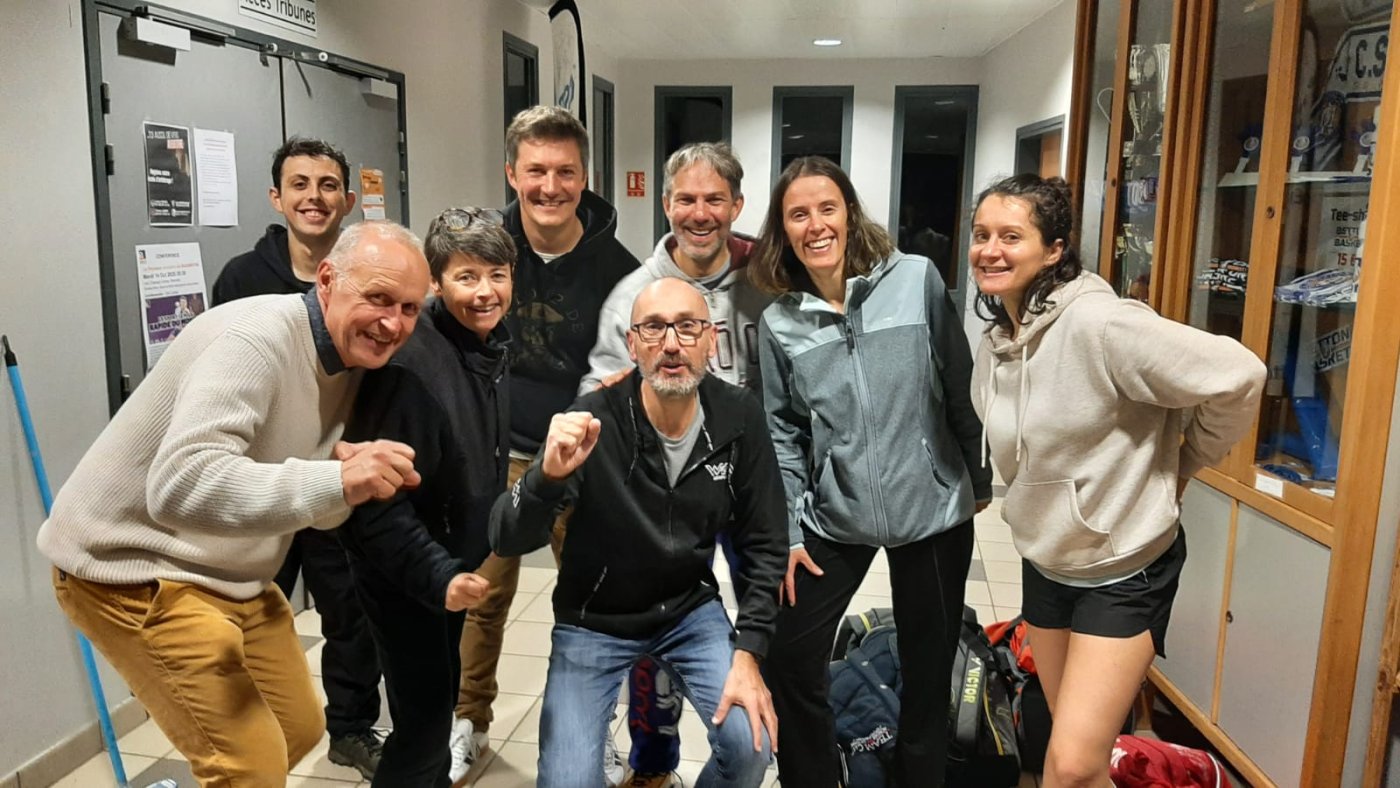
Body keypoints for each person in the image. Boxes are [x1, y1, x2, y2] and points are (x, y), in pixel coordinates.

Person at [37, 221, 430, 787]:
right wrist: (334, 479)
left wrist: (343, 484)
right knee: (249, 765)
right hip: (129, 568)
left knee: (296, 730)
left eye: (410, 308)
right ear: (326, 280)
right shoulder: (256, 339)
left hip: (229, 573)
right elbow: (181, 484)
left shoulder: (354, 364)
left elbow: (315, 507)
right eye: (378, 298)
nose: (393, 323)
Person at [968, 174, 1265, 788]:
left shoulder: (1104, 325)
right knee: (1071, 756)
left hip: (1125, 570)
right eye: (981, 235)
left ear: (1053, 249)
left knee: (1072, 766)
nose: (989, 250)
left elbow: (1239, 375)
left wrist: (1187, 462)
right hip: (1048, 562)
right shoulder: (999, 339)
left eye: (1010, 236)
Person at [751, 156, 991, 786]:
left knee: (927, 671)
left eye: (827, 208)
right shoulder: (779, 323)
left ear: (850, 214)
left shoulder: (915, 279)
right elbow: (782, 432)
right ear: (783, 230)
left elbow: (959, 383)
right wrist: (791, 531)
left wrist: (976, 477)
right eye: (798, 214)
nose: (815, 225)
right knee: (789, 652)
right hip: (837, 512)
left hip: (933, 509)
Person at [491, 277, 786, 788]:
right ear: (631, 344)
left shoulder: (738, 416)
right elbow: (506, 538)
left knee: (750, 745)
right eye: (653, 328)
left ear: (711, 340)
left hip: (689, 611)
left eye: (687, 327)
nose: (671, 344)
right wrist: (545, 478)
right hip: (594, 621)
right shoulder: (592, 420)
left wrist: (749, 654)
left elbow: (765, 541)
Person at [451, 105, 639, 784]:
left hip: (585, 454)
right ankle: (467, 722)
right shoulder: (482, 250)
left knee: (595, 602)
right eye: (536, 171)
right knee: (480, 594)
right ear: (512, 173)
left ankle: (600, 732)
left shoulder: (619, 268)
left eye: (565, 172)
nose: (550, 186)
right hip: (496, 453)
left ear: (585, 177)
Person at [581, 141, 771, 788]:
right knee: (655, 631)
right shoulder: (632, 295)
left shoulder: (765, 286)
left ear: (737, 205)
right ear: (666, 204)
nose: (700, 213)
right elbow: (601, 395)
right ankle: (654, 763)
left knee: (764, 618)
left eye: (714, 199)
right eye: (686, 198)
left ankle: (755, 731)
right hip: (664, 493)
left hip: (752, 485)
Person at [208, 136, 384, 779]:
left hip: (335, 477)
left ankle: (352, 729)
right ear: (276, 197)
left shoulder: (367, 273)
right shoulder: (241, 279)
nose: (315, 197)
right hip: (259, 482)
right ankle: (250, 732)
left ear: (348, 199)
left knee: (350, 614)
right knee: (249, 610)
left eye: (328, 185)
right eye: (300, 185)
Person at [337, 208, 514, 786]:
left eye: (498, 274)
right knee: (422, 726)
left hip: (445, 568)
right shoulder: (412, 368)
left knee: (436, 710)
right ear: (437, 283)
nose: (485, 291)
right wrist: (440, 576)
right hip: (407, 573)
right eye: (467, 276)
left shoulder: (485, 346)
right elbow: (377, 509)